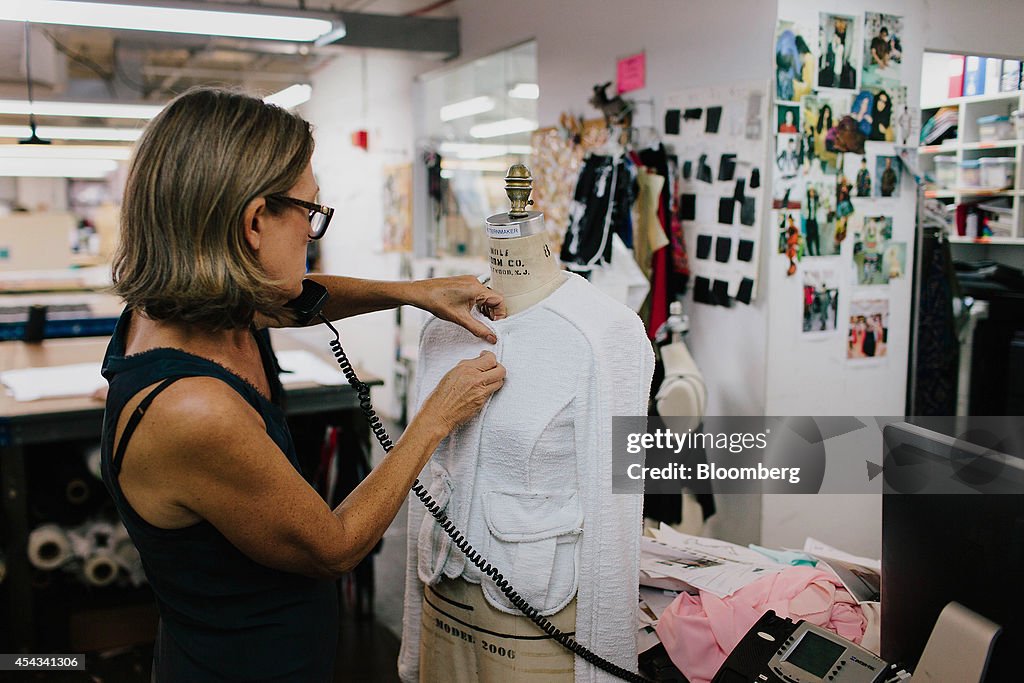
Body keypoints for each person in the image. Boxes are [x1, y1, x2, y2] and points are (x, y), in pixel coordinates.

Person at [101, 87, 508, 682]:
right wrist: (435, 418)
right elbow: (334, 546)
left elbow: (294, 303)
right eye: (310, 212)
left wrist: (411, 292)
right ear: (254, 223)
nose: (314, 234)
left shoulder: (193, 306)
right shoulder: (193, 409)